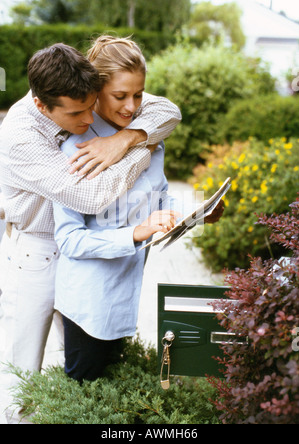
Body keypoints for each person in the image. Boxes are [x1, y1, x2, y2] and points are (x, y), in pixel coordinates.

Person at [0, 42, 181, 418]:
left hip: (84, 258)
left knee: (83, 367)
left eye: (91, 105)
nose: (89, 119)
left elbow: (167, 110)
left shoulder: (79, 92)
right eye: (77, 112)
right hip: (37, 252)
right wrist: (144, 149)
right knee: (20, 369)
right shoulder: (19, 135)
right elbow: (92, 195)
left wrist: (124, 137)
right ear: (42, 106)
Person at [53, 36, 224, 383]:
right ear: (95, 91)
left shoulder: (148, 139)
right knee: (83, 393)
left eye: (139, 94)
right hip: (88, 303)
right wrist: (137, 231)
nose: (132, 106)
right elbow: (69, 240)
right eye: (120, 96)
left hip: (127, 292)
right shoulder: (76, 150)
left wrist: (199, 212)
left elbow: (159, 199)